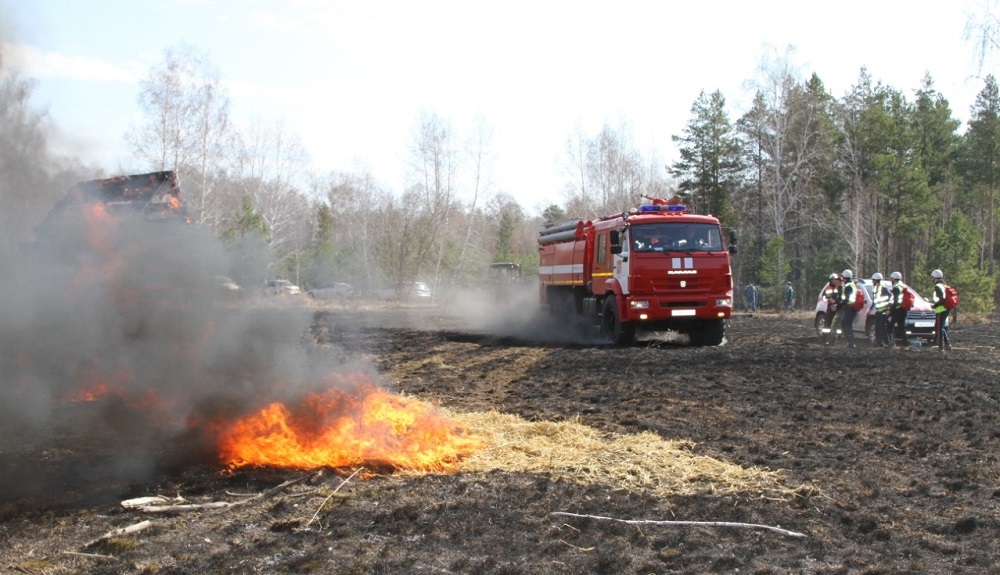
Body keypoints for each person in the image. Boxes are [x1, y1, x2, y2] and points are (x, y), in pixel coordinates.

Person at [930, 269, 952, 351]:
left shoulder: (937, 286)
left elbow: (942, 299)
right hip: (946, 308)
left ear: (935, 277)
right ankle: (947, 344)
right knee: (942, 327)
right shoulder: (944, 285)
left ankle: (941, 346)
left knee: (939, 327)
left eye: (933, 277)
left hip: (941, 309)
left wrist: (934, 305)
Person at [870, 273, 893, 347]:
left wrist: (889, 309)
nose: (872, 282)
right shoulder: (875, 289)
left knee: (883, 327)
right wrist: (870, 309)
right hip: (878, 311)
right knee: (877, 328)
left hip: (884, 311)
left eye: (872, 280)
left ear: (875, 280)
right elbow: (875, 301)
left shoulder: (883, 288)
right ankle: (880, 343)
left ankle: (887, 342)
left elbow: (891, 298)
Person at [889, 271, 910, 348]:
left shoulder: (896, 287)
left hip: (897, 310)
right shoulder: (902, 286)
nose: (891, 280)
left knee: (889, 326)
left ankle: (891, 343)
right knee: (902, 327)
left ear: (894, 279)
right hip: (903, 310)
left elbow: (896, 300)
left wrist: (890, 311)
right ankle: (906, 344)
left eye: (891, 278)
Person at [839, 269, 859, 348]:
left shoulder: (848, 286)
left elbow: (846, 299)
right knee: (845, 324)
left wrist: (839, 305)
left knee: (847, 324)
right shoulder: (851, 285)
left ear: (845, 278)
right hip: (850, 308)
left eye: (843, 277)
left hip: (850, 308)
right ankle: (850, 342)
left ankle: (851, 343)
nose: (842, 279)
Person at [821, 273, 842, 344]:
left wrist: (836, 302)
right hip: (830, 307)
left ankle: (837, 337)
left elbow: (841, 298)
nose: (833, 281)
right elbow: (823, 296)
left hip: (837, 307)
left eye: (835, 280)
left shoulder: (839, 288)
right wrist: (828, 300)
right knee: (827, 323)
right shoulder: (827, 287)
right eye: (832, 280)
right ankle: (825, 338)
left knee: (837, 324)